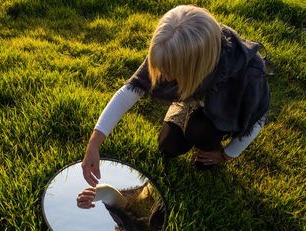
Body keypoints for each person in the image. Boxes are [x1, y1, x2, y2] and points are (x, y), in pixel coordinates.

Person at [82, 5, 271, 187]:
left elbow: (257, 118)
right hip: (192, 99)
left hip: (223, 111)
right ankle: (185, 104)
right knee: (169, 146)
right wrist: (94, 144)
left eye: (173, 71)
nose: (166, 77)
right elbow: (131, 90)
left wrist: (227, 154)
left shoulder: (248, 73)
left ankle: (210, 147)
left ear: (197, 66)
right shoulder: (175, 50)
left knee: (200, 132)